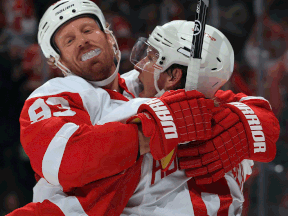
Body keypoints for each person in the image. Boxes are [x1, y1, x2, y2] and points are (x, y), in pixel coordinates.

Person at [8, 1, 279, 215]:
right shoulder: (57, 95)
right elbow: (66, 161)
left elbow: (263, 119)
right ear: (58, 61)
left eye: (88, 30)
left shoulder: (155, 87)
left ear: (110, 37)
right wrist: (149, 132)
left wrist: (242, 125)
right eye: (68, 40)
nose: (82, 41)